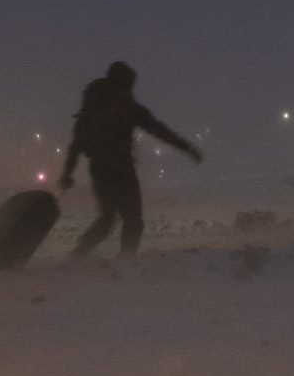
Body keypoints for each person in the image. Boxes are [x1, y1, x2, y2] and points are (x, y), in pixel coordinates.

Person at [58, 61, 202, 258]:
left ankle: (77, 255)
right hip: (122, 168)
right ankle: (126, 259)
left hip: (98, 168)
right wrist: (187, 148)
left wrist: (67, 173)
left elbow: (76, 144)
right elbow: (159, 130)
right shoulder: (128, 107)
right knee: (133, 218)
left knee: (107, 218)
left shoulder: (91, 109)